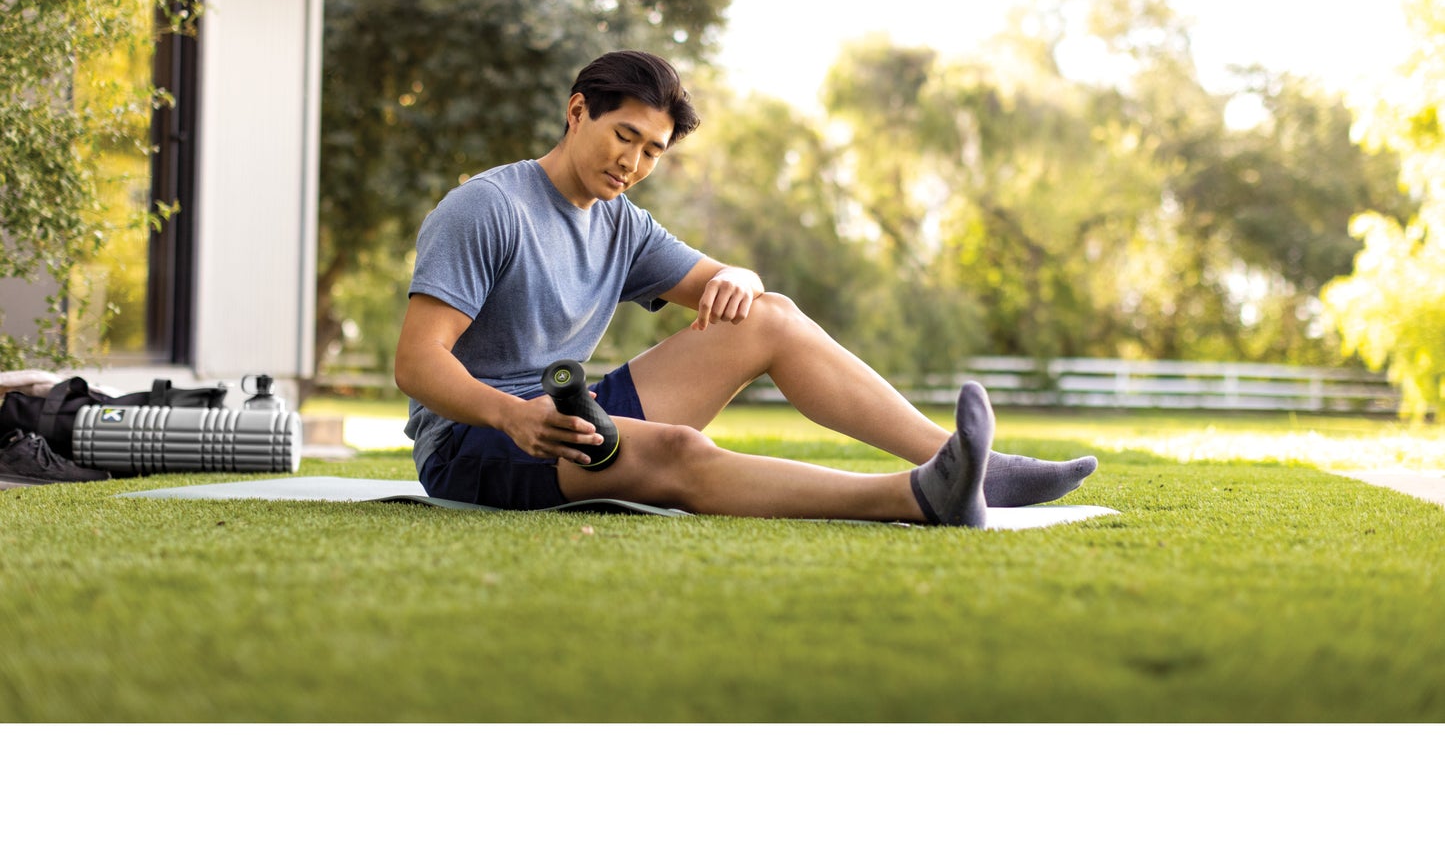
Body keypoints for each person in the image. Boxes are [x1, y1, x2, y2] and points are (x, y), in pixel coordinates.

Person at [394, 50, 1097, 527]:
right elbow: (417, 361)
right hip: (474, 441)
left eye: (652, 151)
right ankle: (919, 497)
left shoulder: (619, 222)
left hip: (572, 411)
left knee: (771, 317)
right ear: (577, 111)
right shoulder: (489, 207)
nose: (632, 163)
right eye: (623, 135)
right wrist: (512, 416)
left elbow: (730, 289)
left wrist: (739, 277)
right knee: (678, 453)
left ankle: (975, 469)